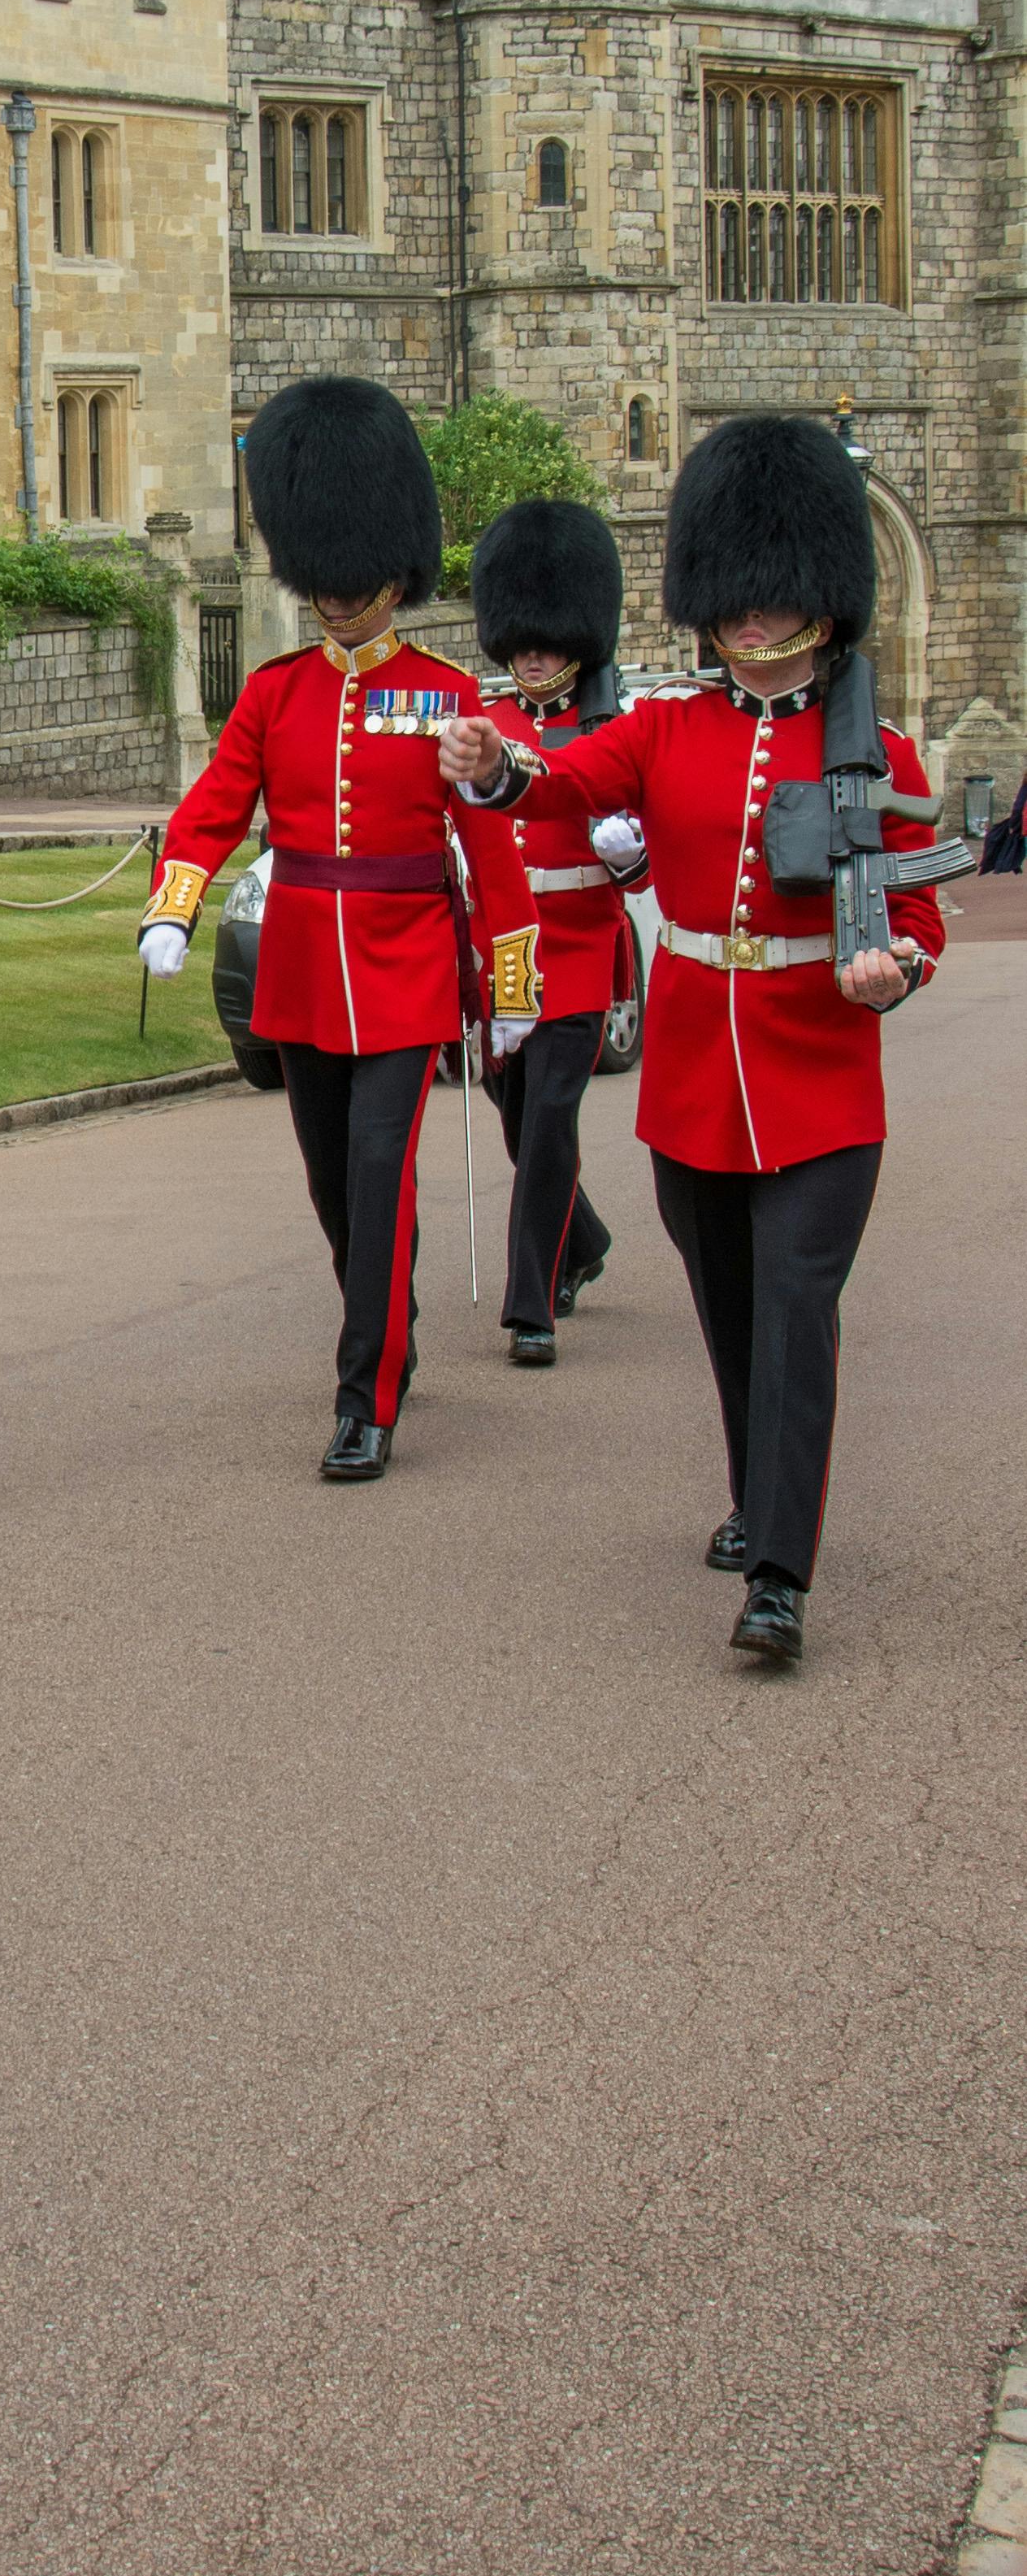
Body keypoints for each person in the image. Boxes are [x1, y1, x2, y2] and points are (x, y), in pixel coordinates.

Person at [441, 411, 944, 1669]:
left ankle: (779, 1572)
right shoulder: (666, 730)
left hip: (825, 1081)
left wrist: (897, 971)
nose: (753, 623)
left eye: (775, 603)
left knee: (795, 1308)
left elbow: (922, 905)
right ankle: (754, 1497)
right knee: (730, 1318)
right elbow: (555, 785)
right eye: (737, 604)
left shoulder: (873, 752)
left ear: (821, 604)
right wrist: (492, 766)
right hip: (692, 1079)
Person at [139, 376, 540, 1483]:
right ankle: (384, 1308)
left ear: (393, 574)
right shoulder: (272, 694)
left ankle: (365, 1393)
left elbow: (492, 853)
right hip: (304, 970)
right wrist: (174, 904)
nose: (335, 601)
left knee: (379, 1171)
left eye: (353, 583)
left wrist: (510, 989)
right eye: (321, 582)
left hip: (408, 965)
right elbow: (213, 807)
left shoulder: (447, 694)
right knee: (333, 1184)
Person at [467, 497, 652, 1368]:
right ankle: (582, 1240)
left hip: (577, 947)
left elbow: (643, 871)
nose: (533, 653)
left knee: (547, 1123)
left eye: (546, 640)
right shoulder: (486, 724)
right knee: (516, 1126)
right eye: (522, 640)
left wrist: (623, 856)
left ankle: (529, 1302)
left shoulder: (613, 732)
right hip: (501, 955)